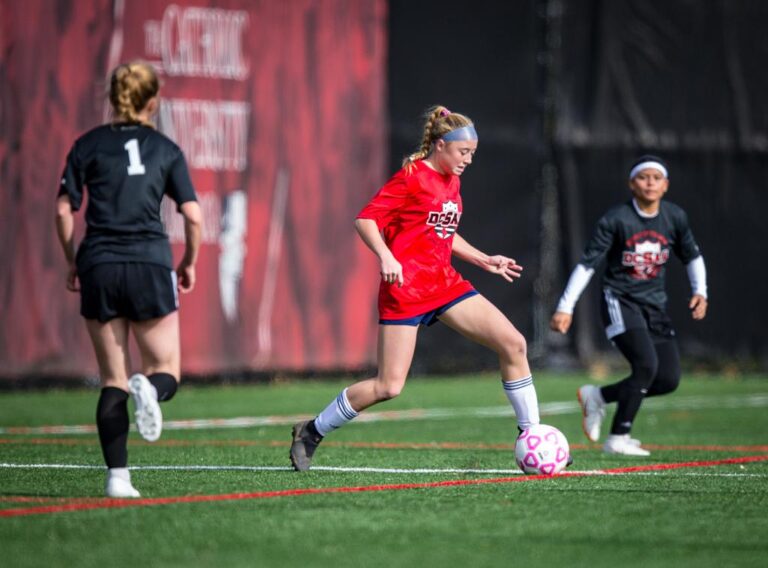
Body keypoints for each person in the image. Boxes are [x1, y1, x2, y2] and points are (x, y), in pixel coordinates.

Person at [290, 105, 543, 471]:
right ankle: (311, 431)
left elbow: (442, 231)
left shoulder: (451, 179)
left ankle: (530, 436)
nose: (468, 160)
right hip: (405, 290)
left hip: (443, 285)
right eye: (463, 152)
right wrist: (385, 256)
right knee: (388, 387)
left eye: (473, 153)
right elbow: (366, 220)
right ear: (440, 145)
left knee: (514, 343)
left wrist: (484, 259)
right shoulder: (411, 176)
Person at [55, 61, 202, 496]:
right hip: (149, 263)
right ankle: (151, 391)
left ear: (112, 97)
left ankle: (118, 478)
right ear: (152, 102)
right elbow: (192, 216)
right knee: (166, 372)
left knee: (112, 379)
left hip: (99, 262)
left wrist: (72, 260)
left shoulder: (87, 145)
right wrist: (189, 261)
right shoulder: (165, 148)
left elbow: (64, 209)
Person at [550, 155, 708, 456]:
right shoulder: (617, 219)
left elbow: (692, 256)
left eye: (656, 178)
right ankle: (618, 437)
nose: (650, 183)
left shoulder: (674, 217)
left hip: (654, 305)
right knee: (646, 365)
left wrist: (701, 291)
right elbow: (588, 264)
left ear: (665, 185)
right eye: (643, 177)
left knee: (667, 378)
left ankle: (597, 396)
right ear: (631, 184)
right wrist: (565, 306)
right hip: (619, 300)